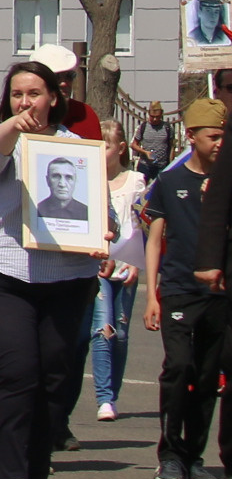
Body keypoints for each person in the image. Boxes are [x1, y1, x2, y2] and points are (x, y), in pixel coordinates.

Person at [0, 59, 107, 479]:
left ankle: (35, 472)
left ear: (54, 98)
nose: (26, 101)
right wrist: (13, 126)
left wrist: (106, 233)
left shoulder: (77, 150)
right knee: (15, 372)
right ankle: (11, 477)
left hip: (67, 277)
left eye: (34, 93)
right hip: (3, 273)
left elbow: (107, 214)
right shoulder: (3, 142)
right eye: (16, 94)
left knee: (54, 376)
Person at [144, 98, 225, 479]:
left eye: (224, 136)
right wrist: (152, 296)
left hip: (217, 293)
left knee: (208, 376)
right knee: (179, 368)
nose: (220, 143)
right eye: (213, 136)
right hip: (177, 289)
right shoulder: (170, 182)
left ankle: (194, 456)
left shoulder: (226, 181)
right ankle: (170, 454)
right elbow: (155, 240)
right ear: (192, 136)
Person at [93, 121, 148, 421]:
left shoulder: (135, 181)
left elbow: (139, 226)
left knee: (122, 331)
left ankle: (113, 391)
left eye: (108, 145)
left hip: (125, 262)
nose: (102, 151)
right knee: (103, 329)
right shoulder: (91, 180)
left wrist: (136, 262)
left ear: (121, 149)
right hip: (98, 264)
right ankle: (104, 399)